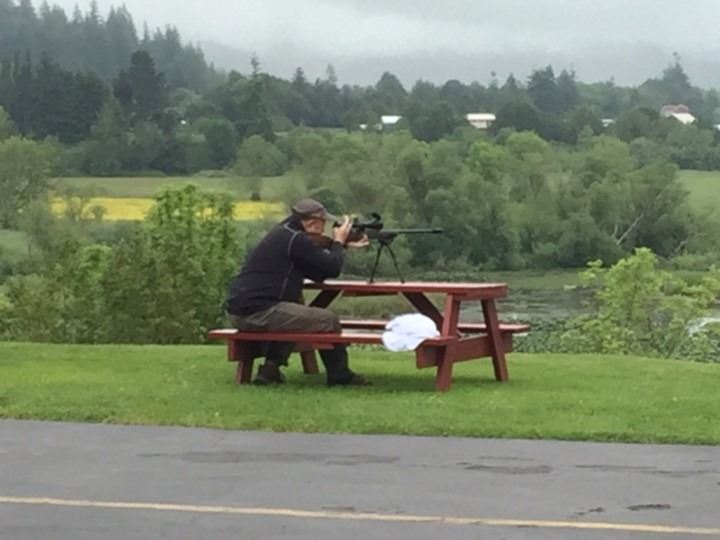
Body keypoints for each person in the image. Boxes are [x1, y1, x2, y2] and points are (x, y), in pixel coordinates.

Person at [226, 198, 370, 386]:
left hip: (242, 312)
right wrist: (338, 242)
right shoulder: (297, 239)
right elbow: (332, 268)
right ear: (312, 222)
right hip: (259, 312)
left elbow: (318, 272)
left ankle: (269, 372)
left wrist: (339, 245)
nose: (324, 227)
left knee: (293, 315)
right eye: (323, 222)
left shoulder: (284, 234)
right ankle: (340, 376)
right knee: (328, 320)